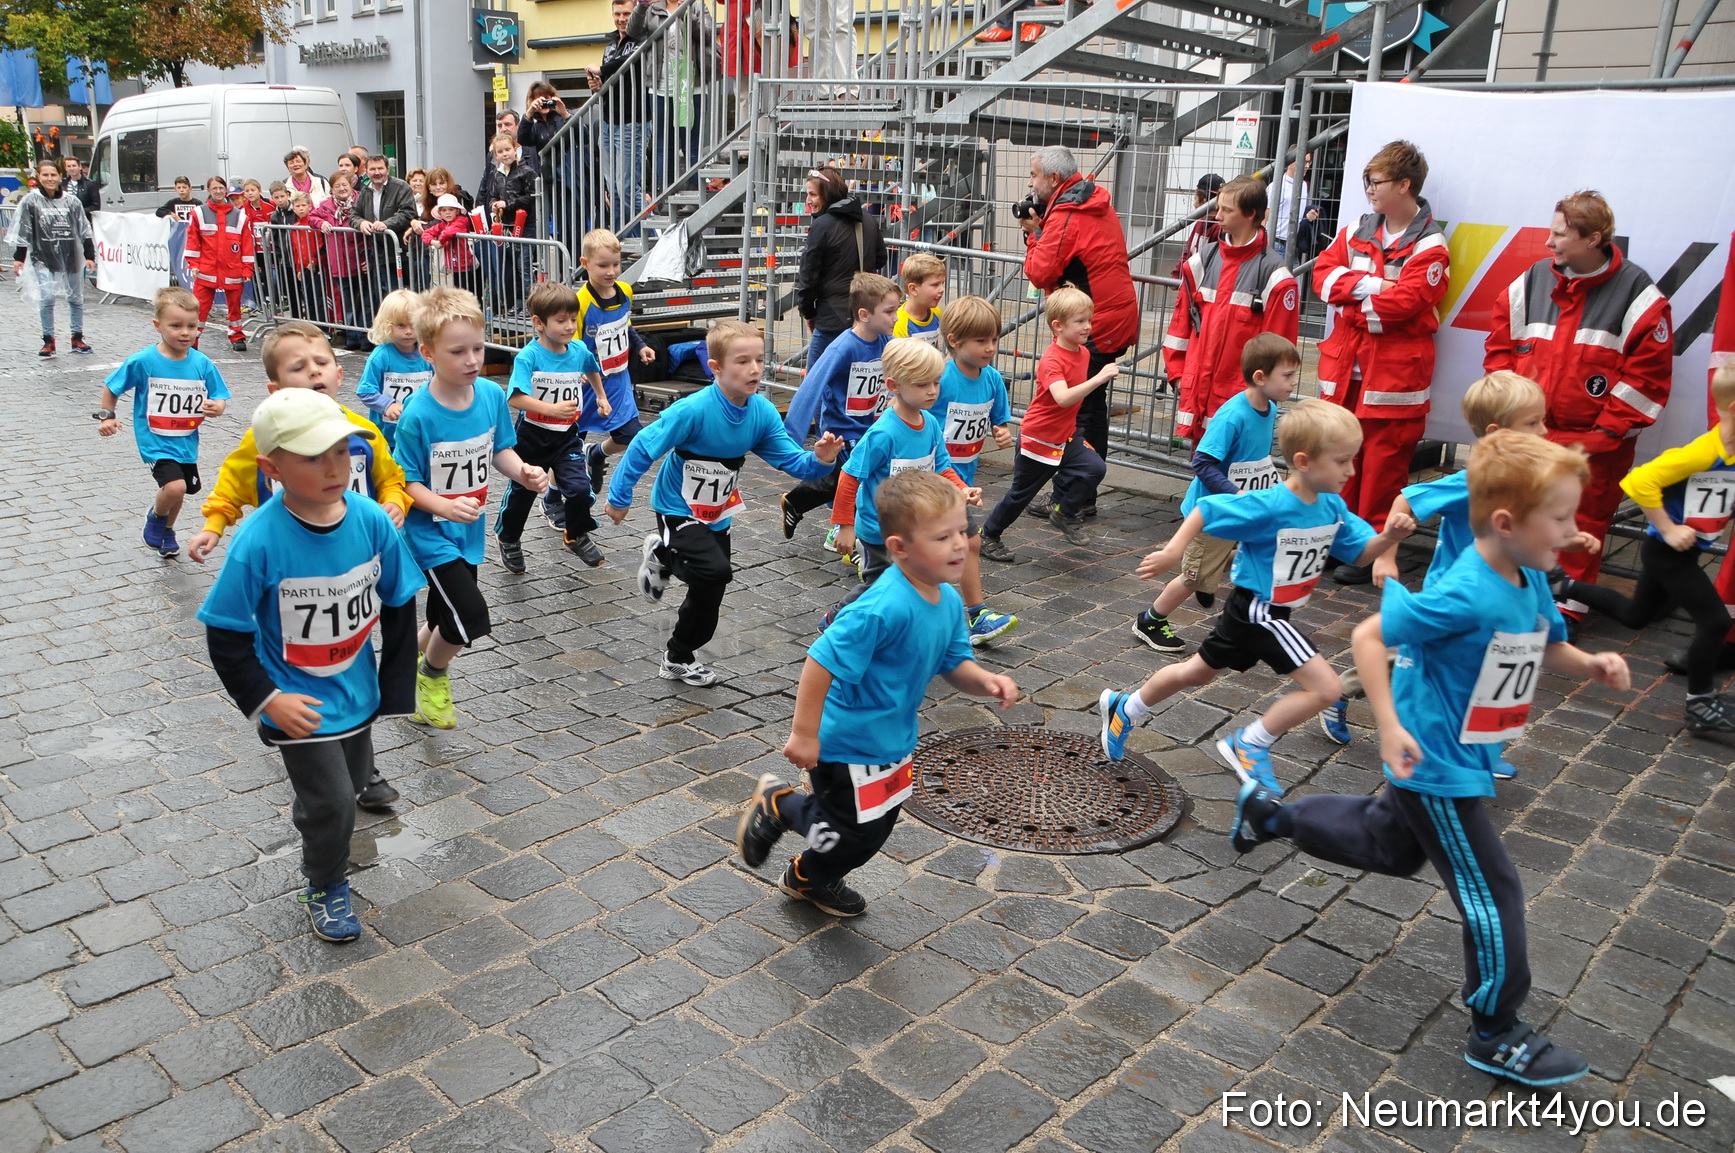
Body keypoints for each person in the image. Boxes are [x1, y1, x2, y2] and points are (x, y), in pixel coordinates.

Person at [1229, 431, 1630, 1089]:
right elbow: (1368, 634)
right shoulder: (1467, 589)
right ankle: (1495, 1029)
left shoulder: (1527, 575)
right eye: (1559, 516)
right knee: (1493, 890)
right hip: (1435, 762)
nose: (1573, 529)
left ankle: (1271, 817)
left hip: (1454, 753)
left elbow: (1543, 644)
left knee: (1387, 846)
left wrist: (1591, 662)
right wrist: (1386, 726)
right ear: (1506, 522)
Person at [197, 389, 425, 943]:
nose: (333, 468)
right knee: (333, 804)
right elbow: (225, 634)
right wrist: (267, 700)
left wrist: (392, 688)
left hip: (357, 692)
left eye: (341, 453)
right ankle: (325, 882)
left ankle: (320, 806)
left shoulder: (371, 519)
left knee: (346, 785)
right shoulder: (257, 541)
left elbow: (398, 600)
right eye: (312, 456)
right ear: (271, 468)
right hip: (298, 703)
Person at [736, 471, 1019, 917]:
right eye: (942, 536)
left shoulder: (947, 601)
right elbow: (821, 659)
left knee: (874, 828)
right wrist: (805, 734)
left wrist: (984, 681)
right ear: (900, 547)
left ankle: (809, 870)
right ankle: (785, 812)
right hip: (847, 742)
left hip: (893, 743)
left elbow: (954, 663)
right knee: (849, 833)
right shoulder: (880, 607)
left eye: (962, 531)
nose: (960, 544)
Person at [1097, 400, 1416, 793]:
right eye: (1342, 461)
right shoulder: (1272, 505)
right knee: (1327, 689)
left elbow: (1360, 552)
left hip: (1261, 614)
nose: (1352, 471)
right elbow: (1208, 509)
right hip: (1259, 612)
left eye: (1353, 460)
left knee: (1196, 673)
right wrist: (1173, 551)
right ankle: (1249, 743)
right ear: (1304, 461)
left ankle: (1124, 707)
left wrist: (1389, 539)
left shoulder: (1331, 506)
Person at [1326, 372, 1599, 757]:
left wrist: (1567, 537)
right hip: (1458, 590)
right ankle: (1339, 693)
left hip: (1503, 589)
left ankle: (1473, 748)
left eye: (1543, 419)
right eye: (1533, 422)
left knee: (1476, 664)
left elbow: (1525, 528)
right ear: (1496, 431)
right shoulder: (1471, 481)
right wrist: (1386, 556)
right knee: (1411, 655)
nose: (1544, 430)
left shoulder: (1530, 481)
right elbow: (1406, 500)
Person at [603, 321, 845, 686]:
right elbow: (642, 446)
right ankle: (666, 554)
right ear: (715, 367)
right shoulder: (693, 410)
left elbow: (791, 462)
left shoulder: (761, 412)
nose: (754, 370)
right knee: (716, 571)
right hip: (677, 506)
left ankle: (677, 655)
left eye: (760, 361)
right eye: (742, 361)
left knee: (710, 588)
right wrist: (619, 497)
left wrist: (822, 459)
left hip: (717, 512)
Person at [1483, 191, 1672, 626]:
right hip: (1528, 436)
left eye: (1559, 235)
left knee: (1578, 525)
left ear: (1594, 239)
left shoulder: (1640, 295)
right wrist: (1512, 412)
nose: (1548, 243)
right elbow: (1499, 348)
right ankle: (1516, 600)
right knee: (1520, 519)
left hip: (1591, 447)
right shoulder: (1531, 280)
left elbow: (1647, 381)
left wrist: (1594, 440)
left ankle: (1565, 613)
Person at [391, 286, 550, 728]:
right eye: (458, 351)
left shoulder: (491, 397)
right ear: (428, 353)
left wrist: (523, 472)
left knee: (445, 615)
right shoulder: (417, 414)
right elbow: (408, 484)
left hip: (468, 529)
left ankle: (403, 660)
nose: (472, 360)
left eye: (478, 348)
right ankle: (432, 675)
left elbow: (500, 449)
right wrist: (442, 507)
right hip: (429, 533)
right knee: (469, 619)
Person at [1553, 364, 1735, 734]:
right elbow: (1639, 480)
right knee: (1715, 621)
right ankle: (1700, 703)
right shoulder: (1702, 452)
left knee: (1638, 616)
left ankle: (1562, 586)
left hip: (1681, 552)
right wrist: (1667, 529)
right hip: (1667, 552)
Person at [1312, 140, 1449, 584]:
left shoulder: (1430, 244)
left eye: (1376, 181)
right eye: (1367, 181)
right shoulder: (1358, 228)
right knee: (1341, 456)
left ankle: (1373, 551)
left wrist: (1353, 299)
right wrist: (1375, 287)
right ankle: (1342, 541)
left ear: (1404, 185)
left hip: (1394, 374)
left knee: (1383, 466)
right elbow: (1322, 277)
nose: (1368, 189)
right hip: (1347, 366)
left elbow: (1408, 304)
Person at [1135, 333, 1299, 653]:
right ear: (1260, 377)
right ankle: (1150, 620)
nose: (1294, 383)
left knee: (1245, 552)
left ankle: (1214, 579)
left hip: (1239, 507)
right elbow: (1203, 462)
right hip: (1211, 512)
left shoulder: (1270, 405)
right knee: (1191, 577)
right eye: (1288, 376)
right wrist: (1234, 492)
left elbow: (1254, 457)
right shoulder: (1232, 415)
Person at [828, 338, 979, 619]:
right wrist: (845, 527)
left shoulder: (930, 423)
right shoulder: (884, 434)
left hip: (914, 526)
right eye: (922, 385)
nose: (933, 391)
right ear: (894, 385)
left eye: (936, 382)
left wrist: (961, 488)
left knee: (914, 581)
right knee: (879, 586)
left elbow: (941, 466)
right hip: (879, 529)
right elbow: (849, 476)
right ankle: (837, 617)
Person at [1022, 146, 1137, 515]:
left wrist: (1033, 233)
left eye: (1035, 175)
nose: (1030, 182)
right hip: (1105, 317)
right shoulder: (1089, 202)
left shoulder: (1068, 213)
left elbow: (1040, 271)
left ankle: (1072, 498)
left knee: (1079, 410)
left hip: (1094, 322)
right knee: (1090, 406)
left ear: (1053, 179)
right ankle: (1077, 495)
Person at [978, 287, 1116, 560]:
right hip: (1039, 438)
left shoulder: (1083, 353)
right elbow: (1062, 397)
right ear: (1058, 326)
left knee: (1094, 467)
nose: (1087, 326)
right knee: (1021, 495)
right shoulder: (1052, 360)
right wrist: (1098, 379)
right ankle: (989, 534)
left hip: (1066, 435)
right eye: (1080, 321)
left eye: (1089, 319)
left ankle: (1063, 512)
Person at [95, 287, 232, 559]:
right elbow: (112, 388)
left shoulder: (202, 362)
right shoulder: (144, 361)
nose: (185, 332)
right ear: (157, 325)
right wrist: (107, 417)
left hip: (186, 439)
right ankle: (156, 518)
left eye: (192, 326)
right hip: (155, 439)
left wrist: (217, 407)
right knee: (175, 487)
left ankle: (167, 530)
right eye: (176, 325)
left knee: (180, 490)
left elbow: (219, 395)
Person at [1166, 174, 1298, 444]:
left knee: (1235, 476)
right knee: (1204, 468)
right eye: (1218, 207)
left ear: (1250, 214)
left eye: (1227, 210)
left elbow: (1279, 348)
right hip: (1200, 391)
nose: (1217, 216)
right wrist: (1178, 375)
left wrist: (1261, 394)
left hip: (1243, 399)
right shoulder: (1201, 261)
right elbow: (1180, 324)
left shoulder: (1275, 276)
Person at [497, 281, 610, 571]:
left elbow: (591, 367)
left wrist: (600, 395)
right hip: (532, 437)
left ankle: (575, 534)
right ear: (538, 323)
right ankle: (508, 538)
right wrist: (552, 409)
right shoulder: (529, 357)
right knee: (523, 493)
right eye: (561, 321)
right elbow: (516, 398)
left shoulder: (578, 349)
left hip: (567, 437)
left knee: (580, 489)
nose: (570, 326)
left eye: (573, 319)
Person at [779, 272, 900, 543]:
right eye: (889, 311)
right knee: (863, 480)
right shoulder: (842, 347)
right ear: (864, 314)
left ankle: (796, 502)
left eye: (897, 310)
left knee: (836, 480)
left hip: (871, 428)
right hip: (843, 432)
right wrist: (791, 439)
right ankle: (849, 536)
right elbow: (813, 385)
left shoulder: (885, 342)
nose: (895, 318)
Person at [935, 295, 1018, 645]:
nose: (990, 348)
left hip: (964, 479)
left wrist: (1002, 431)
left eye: (994, 340)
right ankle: (970, 612)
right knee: (945, 547)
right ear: (955, 340)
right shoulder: (940, 376)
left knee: (968, 543)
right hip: (931, 481)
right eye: (981, 341)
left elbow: (999, 418)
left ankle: (976, 615)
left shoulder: (993, 379)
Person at [576, 228, 657, 512]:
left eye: (615, 264)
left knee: (630, 434)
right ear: (585, 263)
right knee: (569, 448)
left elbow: (625, 323)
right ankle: (554, 499)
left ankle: (597, 454)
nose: (611, 271)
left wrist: (640, 346)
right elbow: (573, 343)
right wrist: (581, 373)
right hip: (587, 386)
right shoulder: (580, 303)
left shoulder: (625, 291)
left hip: (618, 378)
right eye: (603, 265)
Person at [792, 166, 886, 375]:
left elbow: (808, 276)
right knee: (852, 382)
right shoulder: (868, 219)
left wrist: (808, 312)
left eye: (812, 194)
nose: (808, 200)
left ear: (827, 194)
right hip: (864, 314)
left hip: (831, 317)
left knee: (814, 386)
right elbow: (881, 258)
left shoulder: (822, 225)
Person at [628, 0, 717, 193]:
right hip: (661, 86)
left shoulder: (696, 5)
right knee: (662, 145)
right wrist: (641, 7)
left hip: (692, 85)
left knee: (692, 145)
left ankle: (694, 192)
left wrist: (686, 12)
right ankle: (667, 194)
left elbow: (707, 35)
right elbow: (633, 32)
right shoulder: (653, 7)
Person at [11, 156, 95, 358]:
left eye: (53, 174)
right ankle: (48, 340)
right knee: (47, 298)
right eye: (45, 175)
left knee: (76, 299)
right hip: (43, 257)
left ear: (60, 176)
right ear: (39, 177)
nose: (50, 178)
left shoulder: (72, 202)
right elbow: (24, 230)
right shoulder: (31, 201)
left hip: (71, 257)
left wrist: (89, 255)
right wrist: (19, 257)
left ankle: (77, 337)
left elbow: (84, 230)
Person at [355, 289, 434, 450]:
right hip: (389, 438)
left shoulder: (427, 354)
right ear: (386, 325)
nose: (408, 331)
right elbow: (365, 390)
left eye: (413, 324)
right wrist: (387, 405)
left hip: (421, 433)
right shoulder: (381, 357)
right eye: (401, 325)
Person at [592, 0, 646, 237]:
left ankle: (637, 236)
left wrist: (601, 71)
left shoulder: (641, 38)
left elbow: (625, 64)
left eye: (626, 13)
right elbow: (609, 77)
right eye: (617, 13)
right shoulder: (611, 44)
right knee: (612, 188)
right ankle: (624, 237)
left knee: (626, 188)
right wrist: (597, 84)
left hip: (631, 120)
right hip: (607, 120)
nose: (622, 18)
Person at [185, 175, 256, 353]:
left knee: (234, 306)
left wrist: (247, 269)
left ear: (225, 190)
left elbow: (247, 245)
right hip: (206, 269)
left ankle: (237, 336)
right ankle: (193, 339)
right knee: (199, 307)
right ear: (209, 190)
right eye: (214, 188)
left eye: (221, 188)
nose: (218, 191)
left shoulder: (241, 217)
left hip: (232, 269)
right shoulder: (198, 213)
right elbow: (192, 241)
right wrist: (193, 264)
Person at [352, 154, 418, 322]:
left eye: (380, 168)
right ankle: (389, 331)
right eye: (372, 169)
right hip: (378, 253)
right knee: (384, 295)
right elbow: (354, 214)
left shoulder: (401, 187)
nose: (377, 172)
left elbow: (408, 212)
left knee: (403, 295)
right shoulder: (366, 191)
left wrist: (386, 224)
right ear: (366, 171)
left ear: (387, 169)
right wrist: (361, 223)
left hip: (401, 252)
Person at [479, 132, 538, 311]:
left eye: (508, 149)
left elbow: (531, 197)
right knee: (512, 266)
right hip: (507, 227)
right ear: (495, 155)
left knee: (524, 266)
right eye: (500, 152)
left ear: (515, 149)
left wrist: (509, 204)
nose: (505, 154)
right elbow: (494, 196)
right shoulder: (497, 174)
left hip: (526, 225)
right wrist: (494, 205)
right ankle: (518, 304)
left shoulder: (526, 171)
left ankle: (532, 305)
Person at [309, 172, 366, 349]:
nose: (342, 189)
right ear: (332, 189)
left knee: (364, 301)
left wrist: (367, 258)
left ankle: (364, 337)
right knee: (347, 301)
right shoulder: (326, 205)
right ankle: (351, 337)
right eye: (337, 186)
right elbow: (311, 216)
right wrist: (320, 223)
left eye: (344, 185)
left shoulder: (361, 201)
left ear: (350, 185)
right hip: (338, 263)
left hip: (359, 259)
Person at [283, 192, 327, 329]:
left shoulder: (314, 224)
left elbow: (321, 245)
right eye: (297, 206)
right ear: (294, 208)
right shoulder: (295, 226)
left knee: (319, 299)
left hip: (316, 267)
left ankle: (323, 328)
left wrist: (316, 261)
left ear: (309, 206)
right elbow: (296, 250)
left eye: (303, 205)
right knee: (308, 299)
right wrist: (298, 268)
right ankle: (312, 326)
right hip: (303, 267)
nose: (301, 208)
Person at [423, 194, 482, 298]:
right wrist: (433, 242)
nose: (448, 212)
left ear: (457, 211)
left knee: (472, 294)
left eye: (451, 209)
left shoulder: (462, 221)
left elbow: (449, 233)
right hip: (454, 267)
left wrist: (441, 242)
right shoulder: (442, 224)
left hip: (466, 265)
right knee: (460, 293)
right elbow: (426, 233)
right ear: (440, 213)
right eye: (444, 210)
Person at [1271, 153, 1318, 261]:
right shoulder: (1276, 186)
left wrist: (1308, 216)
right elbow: (1264, 218)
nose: (1307, 166)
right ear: (1291, 162)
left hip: (1293, 245)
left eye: (1309, 162)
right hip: (1276, 244)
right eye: (1304, 161)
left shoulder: (1303, 185)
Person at [1175, 173, 1224, 273]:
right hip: (1193, 277)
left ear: (1203, 201)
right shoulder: (1201, 221)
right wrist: (1178, 273)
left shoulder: (1219, 228)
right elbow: (1188, 250)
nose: (1194, 203)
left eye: (1195, 199)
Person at [893, 253, 945, 347]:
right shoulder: (899, 323)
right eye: (935, 285)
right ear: (913, 289)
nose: (942, 289)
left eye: (942, 283)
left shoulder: (936, 312)